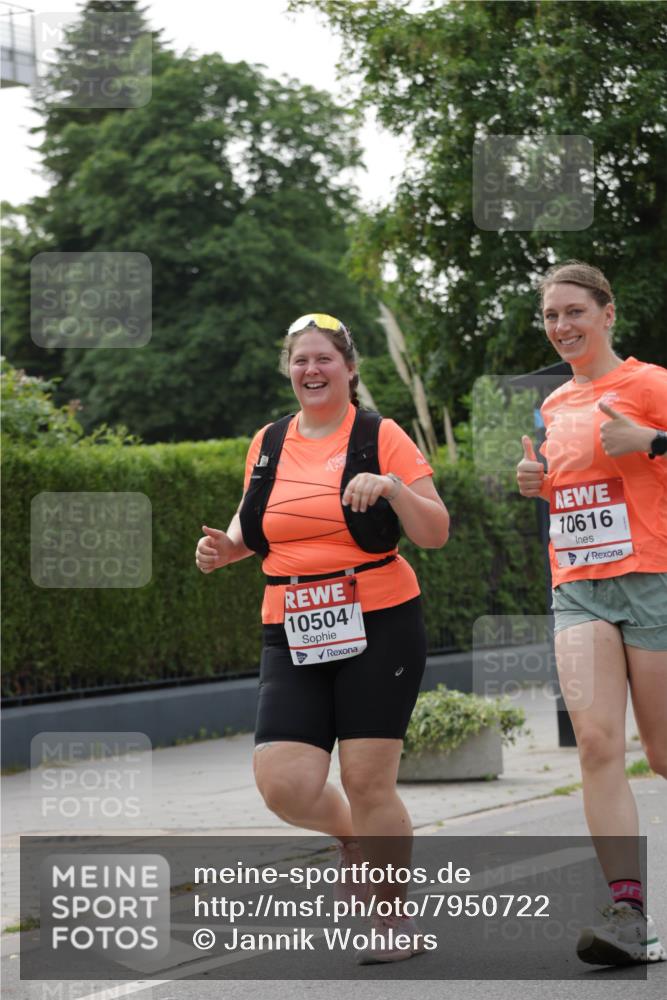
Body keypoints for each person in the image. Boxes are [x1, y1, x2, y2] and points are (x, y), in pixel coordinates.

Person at [196, 313, 449, 964]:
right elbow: (255, 527)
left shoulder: (378, 436)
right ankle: (354, 839)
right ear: (289, 369)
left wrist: (392, 487)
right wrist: (225, 548)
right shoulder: (269, 442)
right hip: (290, 623)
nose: (310, 371)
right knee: (283, 783)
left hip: (379, 620)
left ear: (349, 368)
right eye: (300, 360)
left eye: (323, 360)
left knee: (368, 782)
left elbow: (434, 532)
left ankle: (391, 923)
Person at [516, 261, 667, 966]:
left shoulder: (650, 384)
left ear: (608, 312)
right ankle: (627, 913)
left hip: (652, 581)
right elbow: (575, 492)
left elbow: (641, 464)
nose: (561, 327)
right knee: (599, 744)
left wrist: (652, 443)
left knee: (662, 754)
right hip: (576, 586)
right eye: (550, 316)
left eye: (573, 311)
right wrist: (538, 482)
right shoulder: (551, 407)